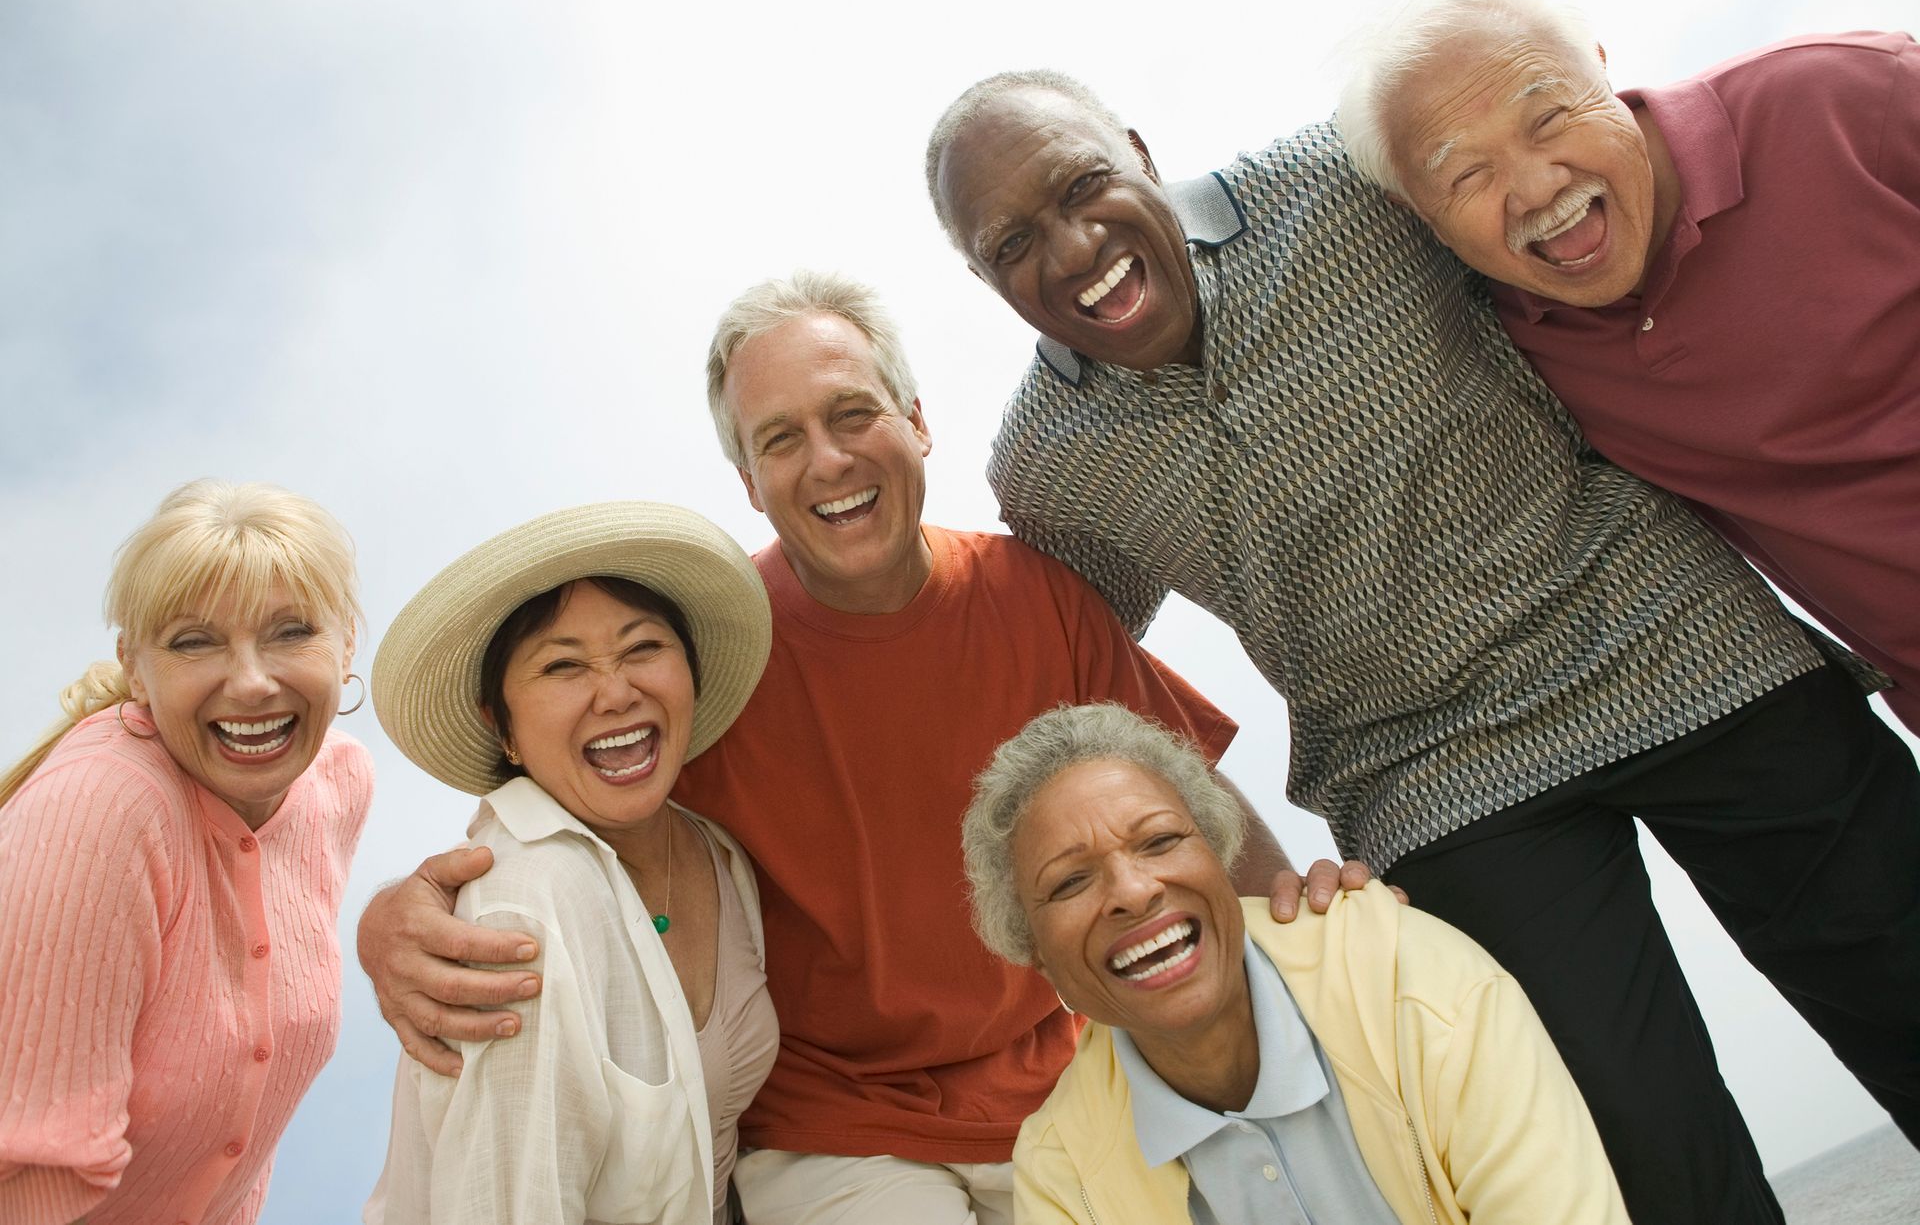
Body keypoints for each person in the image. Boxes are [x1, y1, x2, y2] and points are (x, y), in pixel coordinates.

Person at [926, 70, 1920, 1223]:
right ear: (981, 276)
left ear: (1139, 149)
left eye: (1085, 183)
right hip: (1437, 779)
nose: (1072, 244)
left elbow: (1580, 226)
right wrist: (1239, 863)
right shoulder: (1051, 464)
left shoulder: (1343, 186)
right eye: (1012, 243)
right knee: (1647, 1161)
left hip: (1664, 632)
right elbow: (1066, 655)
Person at [356, 271, 1372, 1225]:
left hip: (1063, 1081)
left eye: (853, 415)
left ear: (918, 424)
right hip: (828, 1127)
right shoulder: (716, 660)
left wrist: (1310, 942)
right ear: (750, 480)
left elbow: (1189, 805)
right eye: (782, 439)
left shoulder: (1037, 597)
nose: (829, 461)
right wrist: (394, 916)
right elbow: (564, 807)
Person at [1335, 0, 1920, 735]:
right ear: (1419, 215)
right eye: (1468, 174)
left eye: (1547, 119)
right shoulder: (1512, 348)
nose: (1539, 187)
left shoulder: (1843, 95)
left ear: (1602, 71)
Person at [963, 703, 1629, 1225]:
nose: (1133, 892)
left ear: (1222, 859)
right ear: (1040, 961)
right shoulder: (1062, 1173)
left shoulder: (1412, 982)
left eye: (1161, 841)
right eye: (1071, 883)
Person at [364, 501, 777, 1224]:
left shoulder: (719, 853)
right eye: (562, 665)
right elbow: (506, 1204)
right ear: (505, 731)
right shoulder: (523, 899)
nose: (616, 692)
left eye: (643, 648)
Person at [0, 479, 372, 1225]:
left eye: (291, 631)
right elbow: (29, 1176)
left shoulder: (336, 782)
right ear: (135, 666)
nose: (252, 681)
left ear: (346, 644)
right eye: (194, 642)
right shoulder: (103, 810)